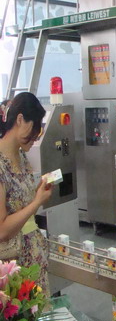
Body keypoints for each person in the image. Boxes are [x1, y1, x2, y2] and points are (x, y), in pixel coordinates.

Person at [0, 93, 53, 296]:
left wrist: (37, 191)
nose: (35, 138)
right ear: (20, 119)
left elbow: (20, 202)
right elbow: (2, 230)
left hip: (34, 259)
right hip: (14, 268)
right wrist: (36, 202)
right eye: (34, 128)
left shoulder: (21, 156)